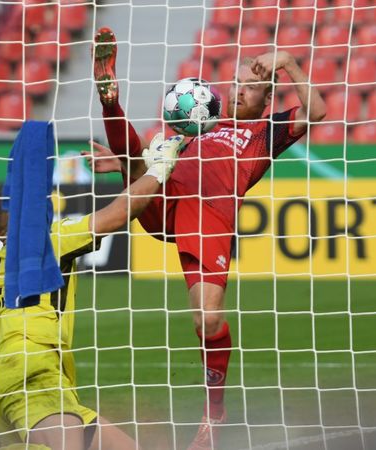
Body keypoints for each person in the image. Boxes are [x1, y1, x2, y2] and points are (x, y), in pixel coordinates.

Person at [86, 27, 326, 450]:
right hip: (166, 193)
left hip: (208, 215)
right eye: (235, 83)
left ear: (266, 98)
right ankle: (110, 99)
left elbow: (318, 111)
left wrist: (285, 61)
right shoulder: (199, 124)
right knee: (140, 156)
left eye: (250, 86)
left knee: (208, 320)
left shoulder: (263, 133)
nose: (238, 91)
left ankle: (214, 410)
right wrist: (126, 165)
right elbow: (161, 159)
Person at [0, 132, 184, 450]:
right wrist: (159, 168)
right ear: (1, 232)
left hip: (17, 379)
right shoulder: (46, 242)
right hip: (34, 377)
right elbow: (119, 214)